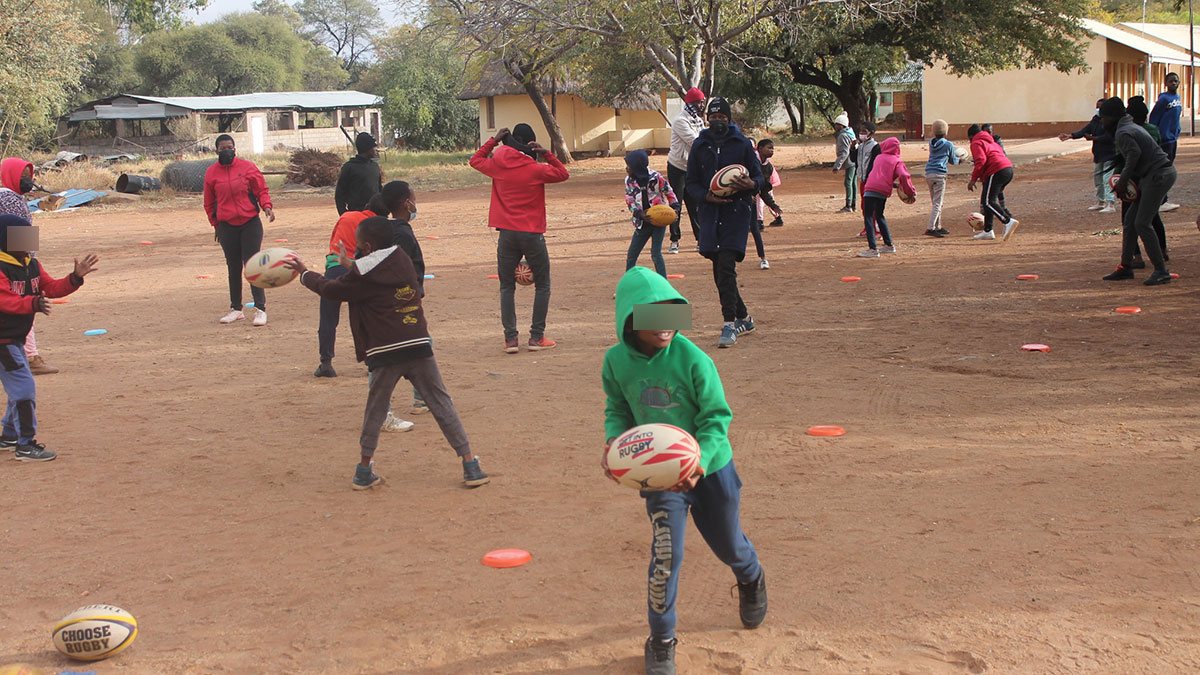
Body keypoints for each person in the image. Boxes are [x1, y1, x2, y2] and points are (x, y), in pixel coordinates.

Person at [601, 267, 767, 675]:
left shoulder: (695, 359)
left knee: (729, 545)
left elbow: (715, 418)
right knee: (665, 555)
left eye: (672, 312)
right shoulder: (615, 361)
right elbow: (618, 408)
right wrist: (615, 445)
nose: (665, 325)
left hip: (712, 470)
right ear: (631, 319)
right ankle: (661, 638)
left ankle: (750, 575)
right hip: (660, 478)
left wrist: (699, 463)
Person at [284, 218, 490, 489]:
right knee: (441, 403)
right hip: (417, 343)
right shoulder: (401, 260)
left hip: (385, 350)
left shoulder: (361, 277)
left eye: (358, 247)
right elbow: (372, 269)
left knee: (376, 409)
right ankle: (470, 465)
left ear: (367, 247)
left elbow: (332, 289)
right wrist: (350, 263)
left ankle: (364, 471)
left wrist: (305, 273)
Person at [0, 214, 98, 462]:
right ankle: (25, 445)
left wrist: (75, 277)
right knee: (23, 388)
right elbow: (5, 300)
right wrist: (33, 303)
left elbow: (52, 288)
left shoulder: (31, 264)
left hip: (14, 338)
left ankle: (10, 436)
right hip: (2, 340)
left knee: (18, 387)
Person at [469, 123, 569, 353]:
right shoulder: (535, 169)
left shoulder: (497, 165)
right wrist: (546, 153)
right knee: (543, 284)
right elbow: (563, 173)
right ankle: (536, 337)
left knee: (506, 286)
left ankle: (510, 340)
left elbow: (475, 160)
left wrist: (493, 140)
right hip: (532, 233)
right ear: (530, 145)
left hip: (506, 233)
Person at [685, 97, 764, 348]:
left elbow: (760, 177)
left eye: (723, 118)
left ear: (730, 120)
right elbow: (691, 183)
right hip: (709, 214)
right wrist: (705, 196)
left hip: (736, 214)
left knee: (726, 266)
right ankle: (744, 318)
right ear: (708, 119)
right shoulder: (700, 145)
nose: (718, 122)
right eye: (714, 118)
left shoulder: (741, 144)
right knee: (720, 270)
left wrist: (752, 185)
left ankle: (729, 324)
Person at [1098, 97, 1174, 285]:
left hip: (1158, 175)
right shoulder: (1129, 127)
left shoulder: (1124, 132)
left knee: (1142, 222)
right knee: (1130, 221)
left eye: (1103, 117)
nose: (1101, 121)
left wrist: (1123, 182)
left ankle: (1161, 271)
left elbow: (1134, 155)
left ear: (1111, 118)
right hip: (1153, 174)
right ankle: (1125, 266)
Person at [203, 134, 275, 326]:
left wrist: (267, 206)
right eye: (223, 148)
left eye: (230, 147)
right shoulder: (211, 173)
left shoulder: (248, 168)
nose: (227, 151)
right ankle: (236, 309)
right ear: (216, 151)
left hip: (250, 223)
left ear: (235, 149)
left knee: (252, 265)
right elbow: (209, 203)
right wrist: (216, 225)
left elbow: (261, 190)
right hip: (227, 226)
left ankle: (260, 309)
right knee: (233, 266)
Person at [315, 194, 386, 378]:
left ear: (366, 205)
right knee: (364, 319)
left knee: (328, 319)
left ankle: (326, 362)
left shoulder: (347, 217)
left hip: (335, 268)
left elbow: (333, 244)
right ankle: (371, 361)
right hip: (359, 271)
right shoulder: (379, 227)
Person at [0, 158, 55, 375]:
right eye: (22, 175)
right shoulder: (10, 198)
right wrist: (29, 263)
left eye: (28, 175)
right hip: (13, 262)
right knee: (24, 305)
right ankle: (30, 357)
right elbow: (22, 238)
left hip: (12, 259)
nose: (27, 180)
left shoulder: (11, 197)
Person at [1123, 96, 1168, 268]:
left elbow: (1126, 158)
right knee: (1153, 216)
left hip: (1136, 179)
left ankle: (1137, 257)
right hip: (1154, 177)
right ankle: (1162, 251)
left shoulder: (1128, 132)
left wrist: (1121, 182)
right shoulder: (1153, 130)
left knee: (1131, 220)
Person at [624, 150, 679, 278]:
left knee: (656, 253)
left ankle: (663, 284)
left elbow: (669, 192)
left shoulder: (655, 177)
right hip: (642, 222)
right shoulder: (629, 181)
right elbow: (630, 200)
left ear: (637, 166)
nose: (627, 169)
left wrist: (674, 208)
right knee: (632, 255)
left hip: (659, 220)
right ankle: (629, 284)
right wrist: (639, 214)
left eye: (629, 166)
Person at [857, 137, 914, 258]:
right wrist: (908, 190)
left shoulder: (879, 157)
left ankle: (873, 249)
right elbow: (903, 175)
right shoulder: (898, 161)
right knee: (879, 215)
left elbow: (877, 175)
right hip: (883, 191)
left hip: (870, 188)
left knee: (868, 217)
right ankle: (889, 245)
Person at [1058, 99, 1117, 213]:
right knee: (1098, 178)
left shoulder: (1112, 121)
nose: (1098, 110)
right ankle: (1100, 201)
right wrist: (1070, 136)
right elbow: (1085, 130)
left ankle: (1110, 203)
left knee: (1106, 179)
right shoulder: (1095, 120)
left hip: (1110, 154)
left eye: (1100, 107)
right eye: (1097, 107)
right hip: (1098, 153)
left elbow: (1109, 137)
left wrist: (1093, 138)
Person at [666, 88, 706, 253]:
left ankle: (700, 239)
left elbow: (703, 137)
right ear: (692, 103)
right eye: (699, 102)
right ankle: (674, 240)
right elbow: (694, 141)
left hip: (692, 167)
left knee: (694, 204)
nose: (701, 104)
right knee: (676, 205)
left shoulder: (699, 121)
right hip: (677, 167)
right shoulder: (680, 120)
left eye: (702, 101)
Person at [967, 124, 1019, 241]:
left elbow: (981, 160)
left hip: (997, 170)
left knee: (988, 202)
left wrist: (973, 179)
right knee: (987, 199)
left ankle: (1007, 221)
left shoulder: (976, 142)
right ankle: (988, 231)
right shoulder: (991, 141)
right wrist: (983, 178)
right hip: (1007, 169)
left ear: (971, 136)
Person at [1148, 72, 1182, 211]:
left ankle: (1163, 199)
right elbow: (1154, 118)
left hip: (1173, 139)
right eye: (1170, 81)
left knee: (1168, 168)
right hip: (1164, 140)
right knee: (1164, 170)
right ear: (1165, 83)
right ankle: (1161, 201)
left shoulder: (1177, 98)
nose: (1173, 83)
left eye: (1176, 81)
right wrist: (1155, 136)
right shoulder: (1164, 99)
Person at [924, 119, 959, 238]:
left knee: (935, 201)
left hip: (929, 173)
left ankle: (938, 226)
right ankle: (930, 228)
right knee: (938, 203)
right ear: (946, 132)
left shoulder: (931, 142)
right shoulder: (948, 144)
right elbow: (953, 161)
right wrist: (961, 159)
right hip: (939, 174)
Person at [335, 132, 383, 215]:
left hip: (375, 214)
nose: (376, 149)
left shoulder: (375, 166)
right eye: (374, 146)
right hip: (357, 214)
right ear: (366, 148)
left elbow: (379, 189)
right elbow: (339, 194)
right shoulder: (349, 167)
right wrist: (344, 214)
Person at [752, 139, 782, 269]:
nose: (772, 151)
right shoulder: (751, 161)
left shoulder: (768, 166)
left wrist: (772, 205)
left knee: (755, 230)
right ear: (759, 148)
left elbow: (764, 189)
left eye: (773, 148)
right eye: (769, 148)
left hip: (751, 201)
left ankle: (763, 258)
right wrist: (748, 194)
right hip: (741, 199)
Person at [853, 122, 881, 239]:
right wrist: (852, 148)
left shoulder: (875, 146)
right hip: (862, 179)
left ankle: (875, 229)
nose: (862, 134)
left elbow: (875, 163)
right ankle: (867, 227)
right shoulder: (860, 146)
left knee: (871, 206)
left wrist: (871, 176)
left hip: (871, 181)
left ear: (871, 133)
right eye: (861, 132)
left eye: (865, 132)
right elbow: (854, 160)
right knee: (864, 205)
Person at [832, 113, 856, 213]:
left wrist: (837, 165)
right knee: (853, 183)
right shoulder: (850, 132)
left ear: (842, 126)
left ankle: (848, 205)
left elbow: (844, 152)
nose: (835, 126)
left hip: (849, 162)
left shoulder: (842, 136)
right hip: (854, 161)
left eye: (837, 125)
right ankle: (853, 204)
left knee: (848, 182)